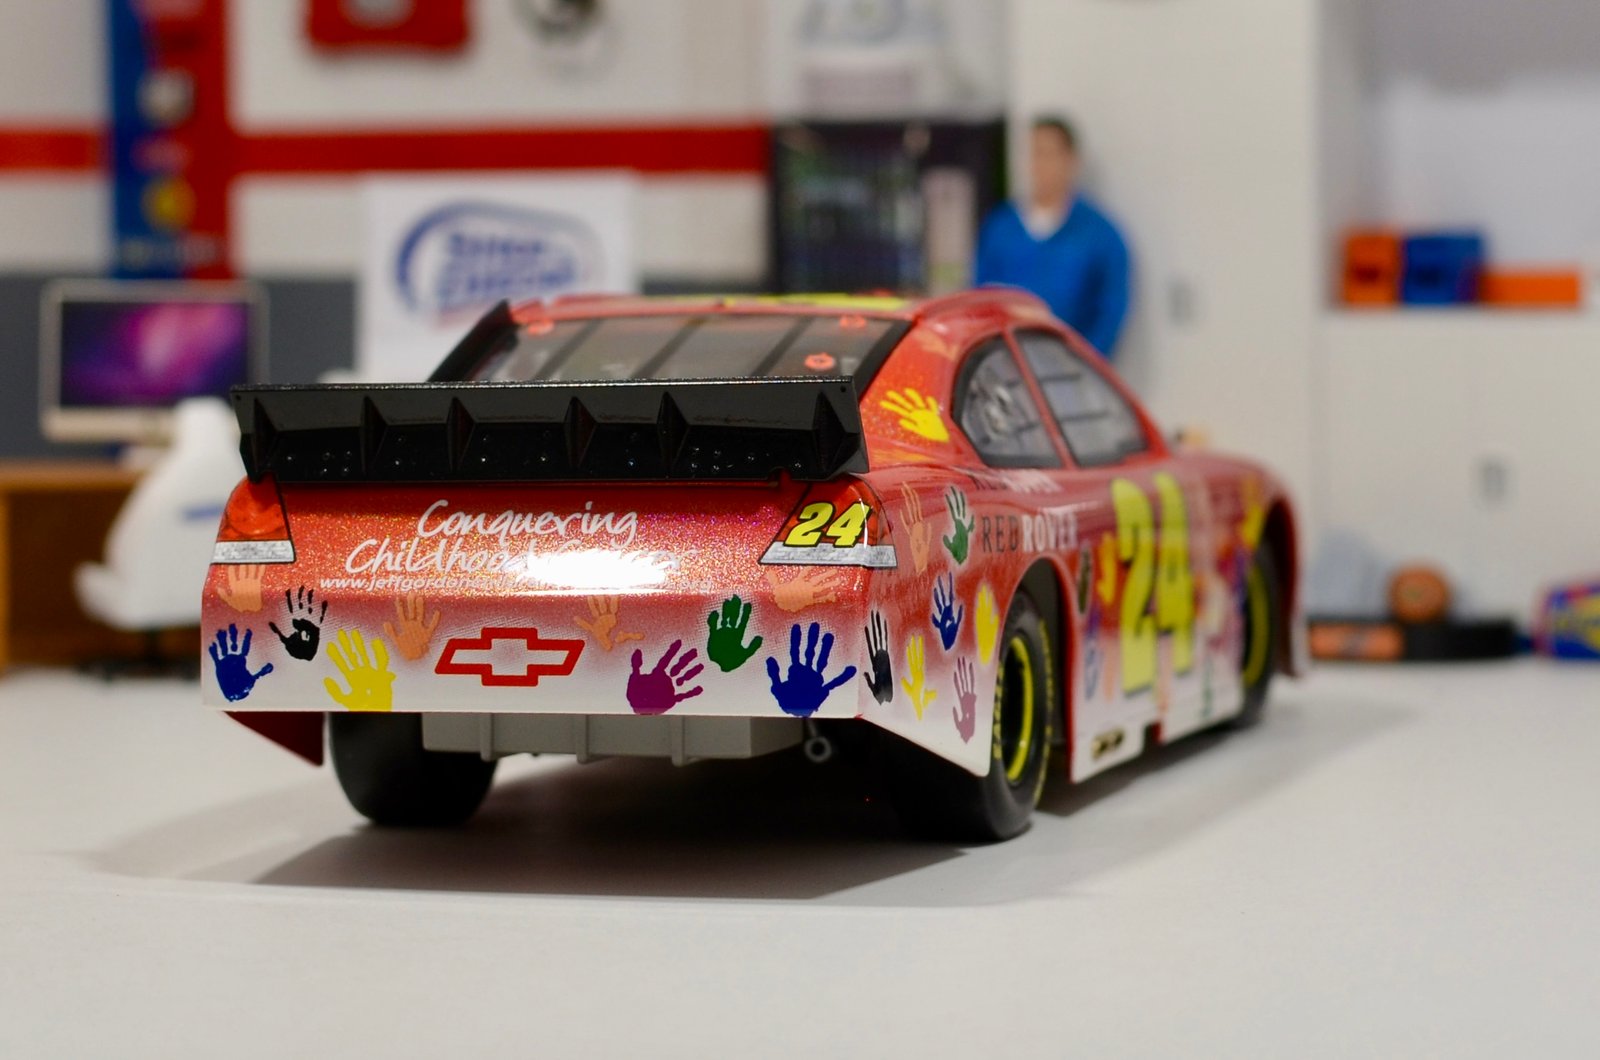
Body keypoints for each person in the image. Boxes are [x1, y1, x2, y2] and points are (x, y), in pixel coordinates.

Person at [975, 116, 1132, 359]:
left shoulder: (1099, 235)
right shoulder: (1001, 226)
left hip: (1070, 365)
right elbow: (981, 295)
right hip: (1008, 361)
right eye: (1035, 153)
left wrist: (1083, 362)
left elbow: (1110, 310)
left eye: (1049, 154)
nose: (1040, 165)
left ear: (1071, 160)